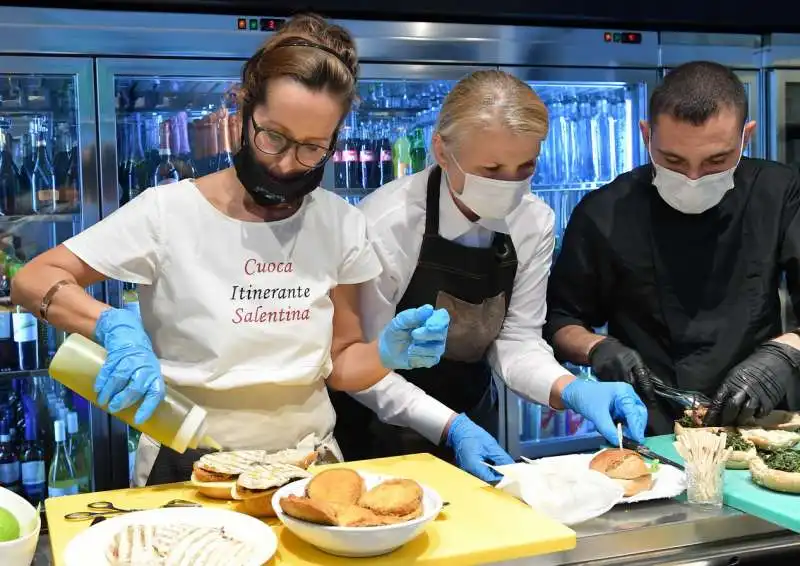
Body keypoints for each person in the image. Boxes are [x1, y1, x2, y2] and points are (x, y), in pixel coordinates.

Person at [9, 13, 450, 486]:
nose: (286, 163)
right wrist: (110, 324)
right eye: (274, 136)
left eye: (312, 147)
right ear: (242, 111)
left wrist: (385, 353)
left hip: (307, 465)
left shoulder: (340, 222)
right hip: (186, 461)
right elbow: (31, 278)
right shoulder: (168, 212)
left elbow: (341, 363)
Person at [331, 70, 648, 481]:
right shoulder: (387, 224)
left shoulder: (533, 221)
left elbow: (516, 341)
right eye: (492, 169)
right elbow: (362, 364)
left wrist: (569, 389)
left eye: (525, 167)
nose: (511, 186)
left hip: (474, 415)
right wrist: (450, 427)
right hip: (377, 432)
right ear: (442, 152)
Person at [545, 60, 800, 434]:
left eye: (716, 161)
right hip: (648, 423)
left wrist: (784, 354)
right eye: (673, 161)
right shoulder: (604, 212)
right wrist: (598, 348)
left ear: (747, 136)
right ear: (646, 135)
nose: (693, 179)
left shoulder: (779, 193)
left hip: (760, 419)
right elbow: (561, 321)